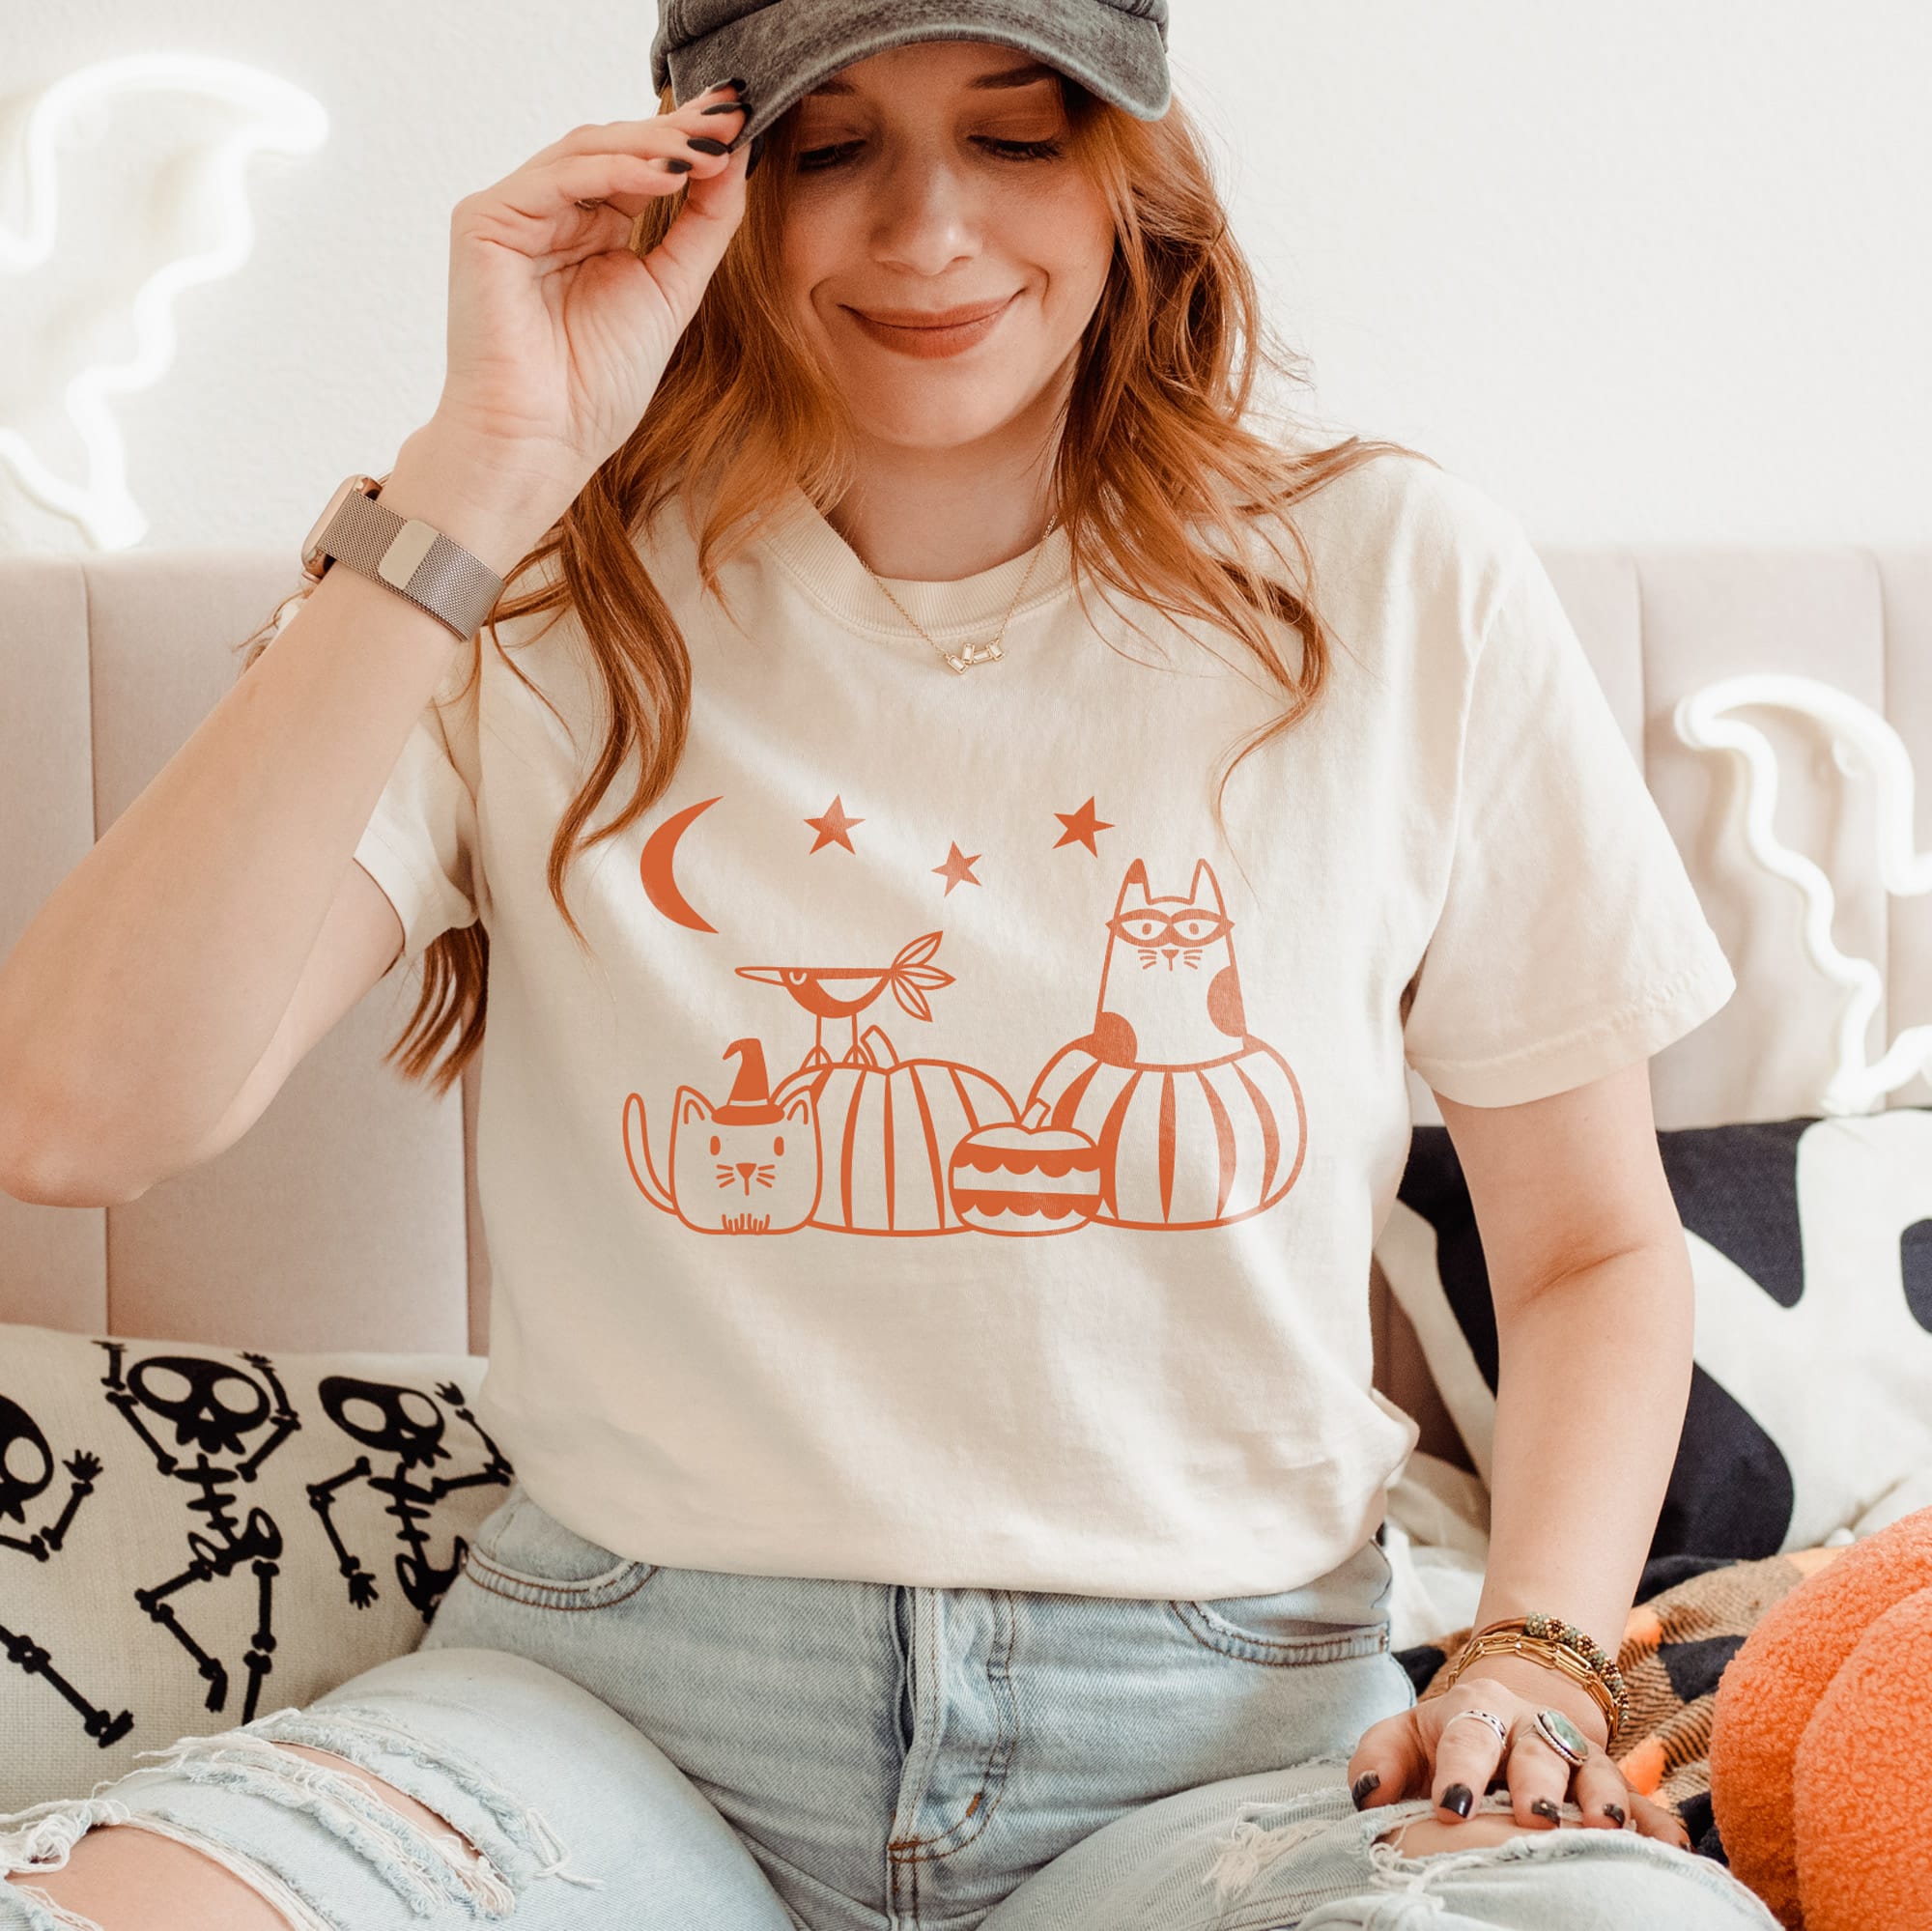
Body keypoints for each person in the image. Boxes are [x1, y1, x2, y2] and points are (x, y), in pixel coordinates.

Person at [0, 4, 1782, 1928]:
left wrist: (1537, 1648)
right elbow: (76, 1114)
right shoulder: (530, 592)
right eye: (830, 147)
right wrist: (478, 472)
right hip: (613, 1713)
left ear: (1132, 175)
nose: (927, 231)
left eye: (1015, 138)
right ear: (706, 181)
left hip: (1234, 1747)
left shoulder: (1393, 580)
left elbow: (1588, 1250)